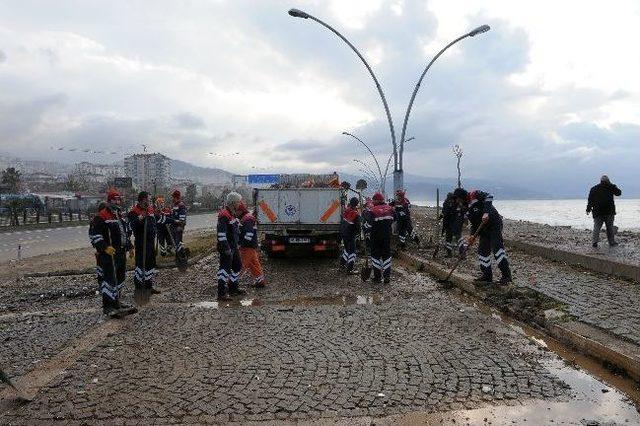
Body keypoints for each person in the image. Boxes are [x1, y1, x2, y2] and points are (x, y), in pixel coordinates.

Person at [89, 189, 136, 317]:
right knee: (109, 279)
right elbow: (95, 236)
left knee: (120, 278)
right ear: (109, 201)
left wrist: (130, 247)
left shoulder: (119, 215)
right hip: (109, 254)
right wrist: (104, 247)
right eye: (115, 199)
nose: (117, 201)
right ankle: (108, 306)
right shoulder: (101, 217)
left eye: (118, 199)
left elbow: (124, 234)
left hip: (120, 252)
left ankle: (116, 301)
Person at [454, 188, 512, 284]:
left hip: (494, 224)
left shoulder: (474, 195)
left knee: (497, 250)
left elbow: (489, 197)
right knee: (482, 252)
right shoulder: (466, 208)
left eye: (457, 198)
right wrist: (472, 236)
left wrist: (486, 212)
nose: (457, 201)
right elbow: (474, 224)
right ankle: (487, 276)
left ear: (462, 196)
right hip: (483, 229)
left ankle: (506, 276)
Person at [128, 191, 161, 294]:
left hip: (150, 241)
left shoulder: (150, 209)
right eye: (148, 199)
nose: (150, 201)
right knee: (141, 265)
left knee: (150, 264)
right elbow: (132, 226)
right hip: (141, 242)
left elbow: (155, 221)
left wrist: (158, 214)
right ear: (143, 199)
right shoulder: (134, 211)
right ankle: (138, 287)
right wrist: (141, 217)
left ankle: (148, 286)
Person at [217, 192, 245, 300]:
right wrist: (226, 248)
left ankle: (233, 287)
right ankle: (221, 292)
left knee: (237, 266)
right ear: (233, 203)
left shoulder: (231, 214)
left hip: (233, 247)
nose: (240, 204)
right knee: (224, 269)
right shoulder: (224, 214)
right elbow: (221, 234)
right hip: (227, 248)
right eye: (238, 202)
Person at [367, 192, 395, 284]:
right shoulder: (390, 209)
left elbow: (368, 225)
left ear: (376, 200)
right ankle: (387, 277)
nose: (373, 201)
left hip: (375, 237)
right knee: (386, 255)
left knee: (375, 256)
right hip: (387, 236)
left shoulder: (372, 210)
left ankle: (377, 277)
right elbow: (395, 219)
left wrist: (364, 226)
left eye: (373, 200)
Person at [587, 175, 622, 248]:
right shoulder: (611, 187)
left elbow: (590, 200)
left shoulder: (594, 189)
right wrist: (612, 184)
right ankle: (611, 242)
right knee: (609, 227)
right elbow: (619, 193)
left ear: (600, 181)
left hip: (597, 211)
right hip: (609, 211)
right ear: (608, 181)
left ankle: (594, 242)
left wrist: (588, 209)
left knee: (596, 227)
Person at [237, 202, 266, 288]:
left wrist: (242, 244)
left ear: (241, 210)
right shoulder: (247, 217)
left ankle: (232, 282)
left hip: (247, 246)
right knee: (254, 264)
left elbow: (249, 233)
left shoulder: (247, 219)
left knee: (241, 264)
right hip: (251, 245)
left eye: (236, 210)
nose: (235, 212)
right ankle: (260, 281)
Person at [340, 197, 360, 273]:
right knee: (353, 252)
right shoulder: (355, 214)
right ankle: (350, 269)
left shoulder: (346, 211)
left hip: (344, 233)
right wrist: (358, 232)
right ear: (357, 204)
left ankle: (342, 265)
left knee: (346, 250)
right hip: (351, 234)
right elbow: (357, 227)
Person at [441, 192, 465, 258]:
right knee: (450, 239)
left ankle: (461, 254)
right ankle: (453, 253)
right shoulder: (454, 204)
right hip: (451, 224)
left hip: (453, 224)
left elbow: (445, 213)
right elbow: (445, 213)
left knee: (454, 238)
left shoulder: (453, 204)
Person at [170, 190, 187, 256]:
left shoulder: (181, 205)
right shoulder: (174, 205)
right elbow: (172, 215)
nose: (172, 199)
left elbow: (182, 218)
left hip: (178, 227)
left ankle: (181, 255)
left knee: (178, 241)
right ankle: (178, 253)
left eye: (173, 197)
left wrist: (181, 226)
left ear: (176, 197)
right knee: (174, 242)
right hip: (173, 226)